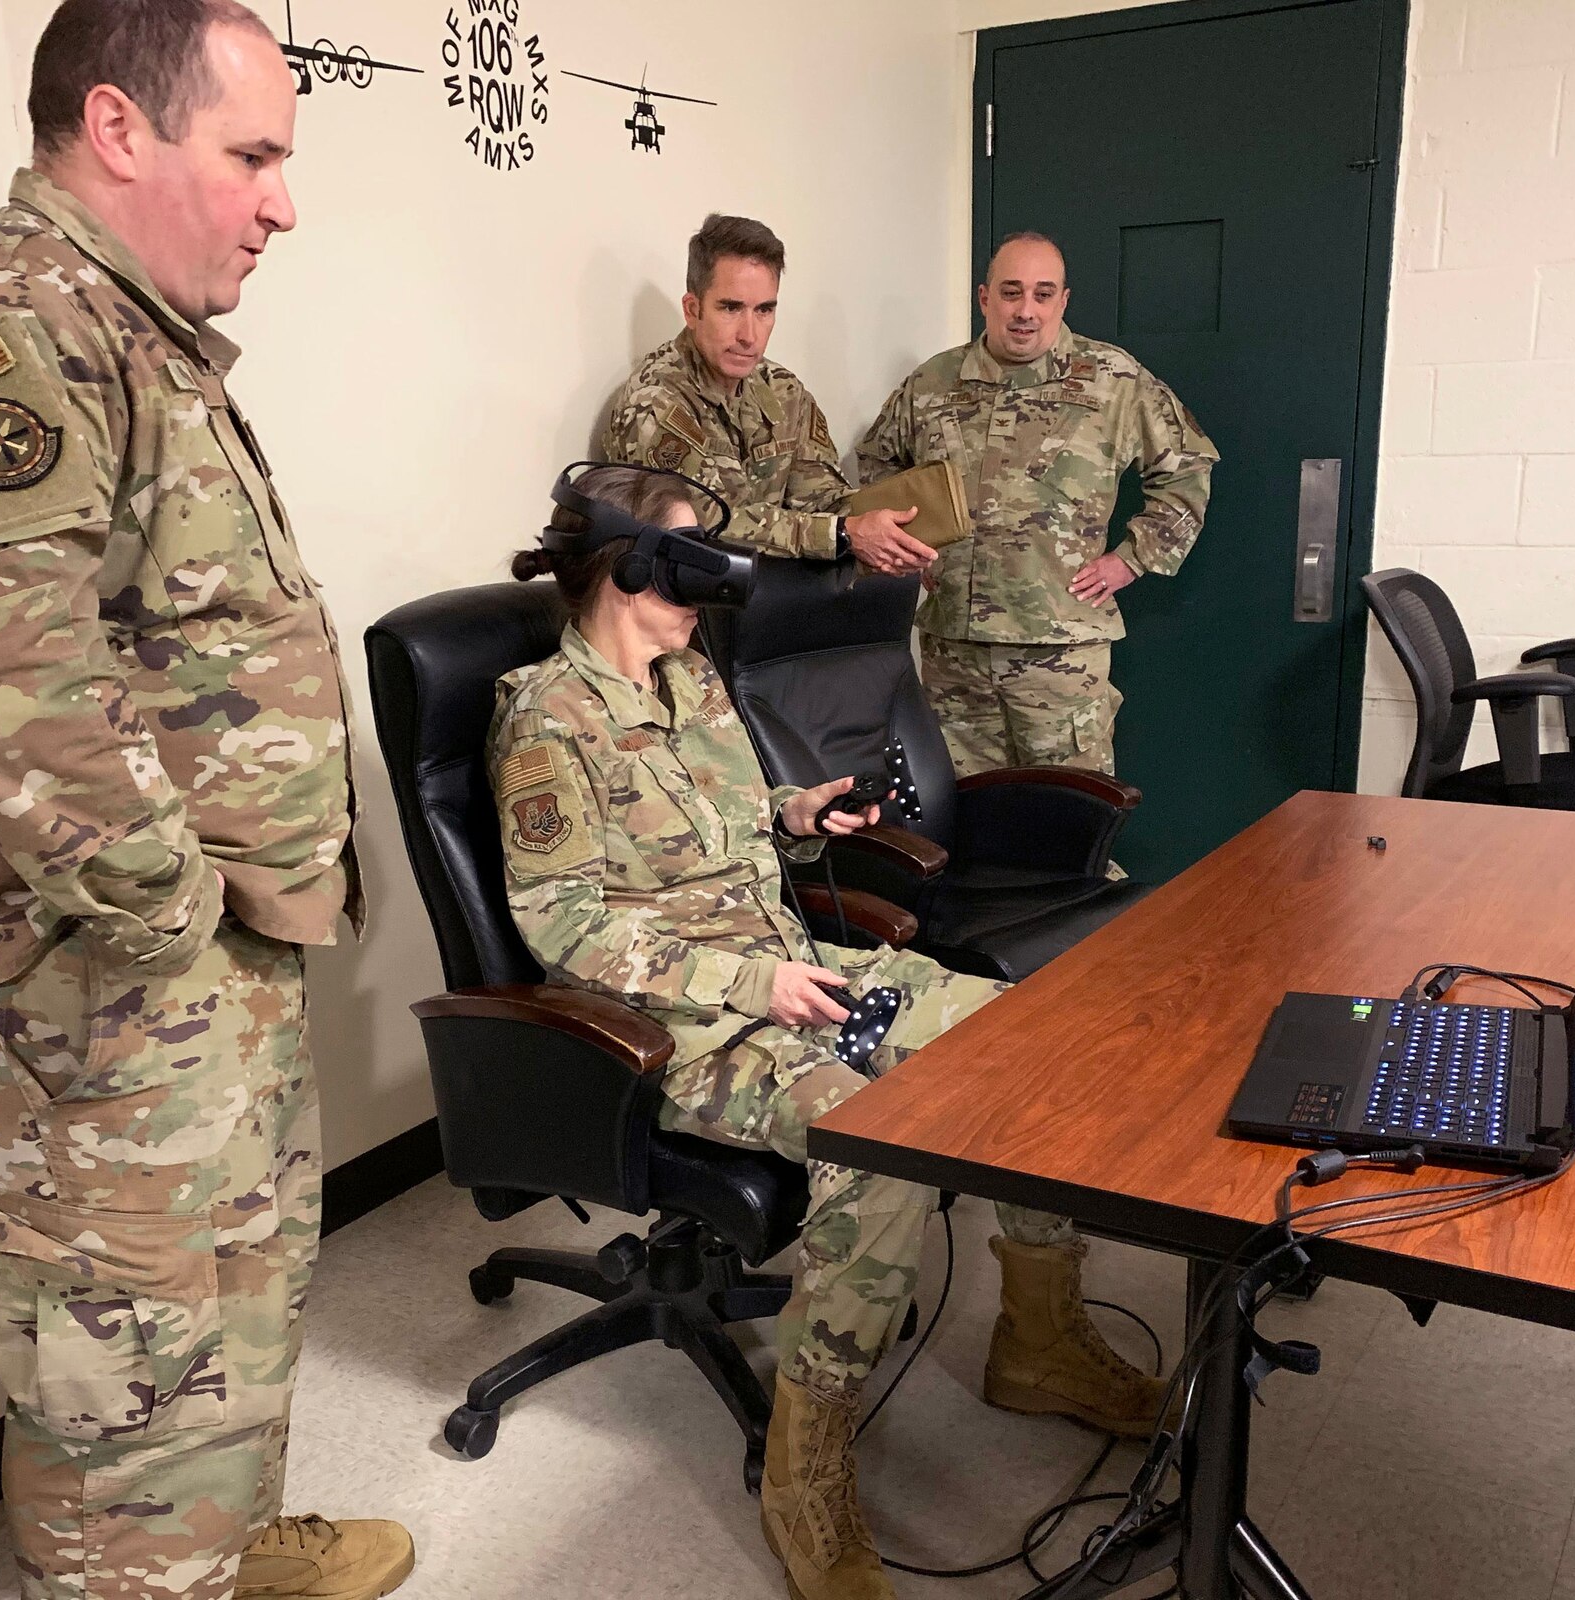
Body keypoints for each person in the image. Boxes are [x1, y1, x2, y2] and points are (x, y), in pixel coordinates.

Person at [0, 3, 410, 1595]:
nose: (282, 200)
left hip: (183, 964)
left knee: (232, 1290)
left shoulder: (125, 324)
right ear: (116, 128)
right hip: (87, 981)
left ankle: (227, 1552)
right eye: (254, 155)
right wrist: (170, 927)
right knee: (128, 1370)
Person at [490, 464, 1166, 1600]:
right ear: (621, 567)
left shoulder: (689, 679)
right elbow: (565, 929)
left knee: (1017, 1041)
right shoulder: (543, 718)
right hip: (683, 1027)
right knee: (881, 1133)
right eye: (685, 564)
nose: (702, 593)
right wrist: (753, 983)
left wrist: (794, 817)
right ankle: (803, 1459)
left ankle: (1037, 1338)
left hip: (799, 965)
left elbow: (713, 829)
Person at [857, 231, 1219, 786]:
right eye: (1011, 292)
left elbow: (1189, 466)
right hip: (956, 650)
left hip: (1061, 653)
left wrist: (1133, 557)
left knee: (1070, 813)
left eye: (1043, 294)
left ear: (1063, 302)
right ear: (984, 298)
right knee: (964, 811)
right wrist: (910, 548)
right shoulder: (933, 383)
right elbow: (878, 462)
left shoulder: (1113, 381)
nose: (1026, 311)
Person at [600, 212, 934, 575]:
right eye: (730, 308)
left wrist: (896, 533)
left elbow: (822, 499)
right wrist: (841, 534)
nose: (749, 334)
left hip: (773, 609)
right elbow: (710, 525)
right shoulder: (655, 403)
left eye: (764, 310)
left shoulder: (783, 391)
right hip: (677, 615)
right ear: (692, 310)